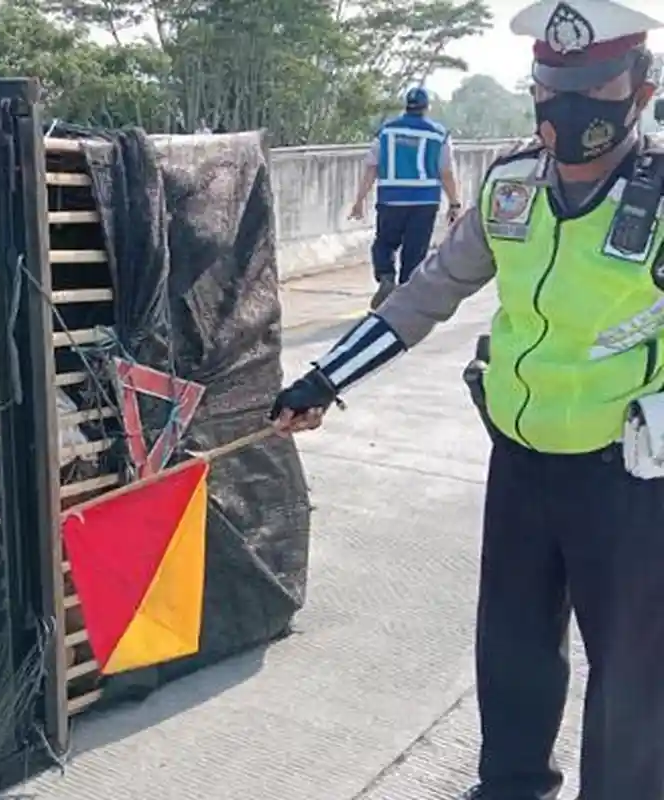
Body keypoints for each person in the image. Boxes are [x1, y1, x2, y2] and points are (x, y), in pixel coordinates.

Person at [270, 1, 664, 798]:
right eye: (553, 87)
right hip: (520, 466)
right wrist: (325, 378)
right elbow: (426, 295)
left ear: (642, 90)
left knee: (633, 681)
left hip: (627, 481)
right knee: (512, 653)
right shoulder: (510, 188)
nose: (569, 106)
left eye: (594, 85)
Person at [351, 86, 463, 309]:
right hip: (425, 201)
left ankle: (385, 276)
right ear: (426, 107)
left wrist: (359, 200)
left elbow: (371, 167)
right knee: (415, 250)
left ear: (406, 106)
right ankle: (404, 296)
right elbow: (446, 172)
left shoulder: (386, 132)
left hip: (391, 199)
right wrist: (454, 202)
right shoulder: (438, 134)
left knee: (384, 243)